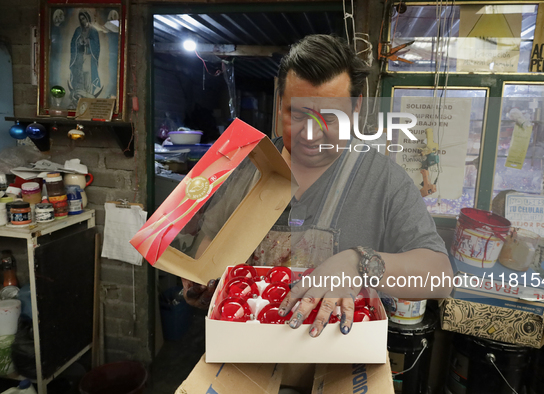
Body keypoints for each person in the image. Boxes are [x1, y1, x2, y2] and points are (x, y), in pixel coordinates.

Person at [182, 34, 452, 338]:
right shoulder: (247, 165)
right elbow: (209, 244)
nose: (311, 134)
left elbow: (438, 276)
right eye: (297, 115)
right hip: (246, 352)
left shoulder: (384, 179)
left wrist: (360, 262)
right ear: (280, 102)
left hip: (338, 364)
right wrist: (200, 280)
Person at [69, 10, 102, 108]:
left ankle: (88, 100)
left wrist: (88, 42)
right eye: (81, 19)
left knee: (88, 78)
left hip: (88, 58)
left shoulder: (93, 30)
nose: (82, 21)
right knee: (79, 77)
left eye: (84, 18)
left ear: (87, 18)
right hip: (79, 58)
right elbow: (72, 44)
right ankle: (79, 100)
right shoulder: (78, 30)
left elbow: (96, 45)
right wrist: (78, 42)